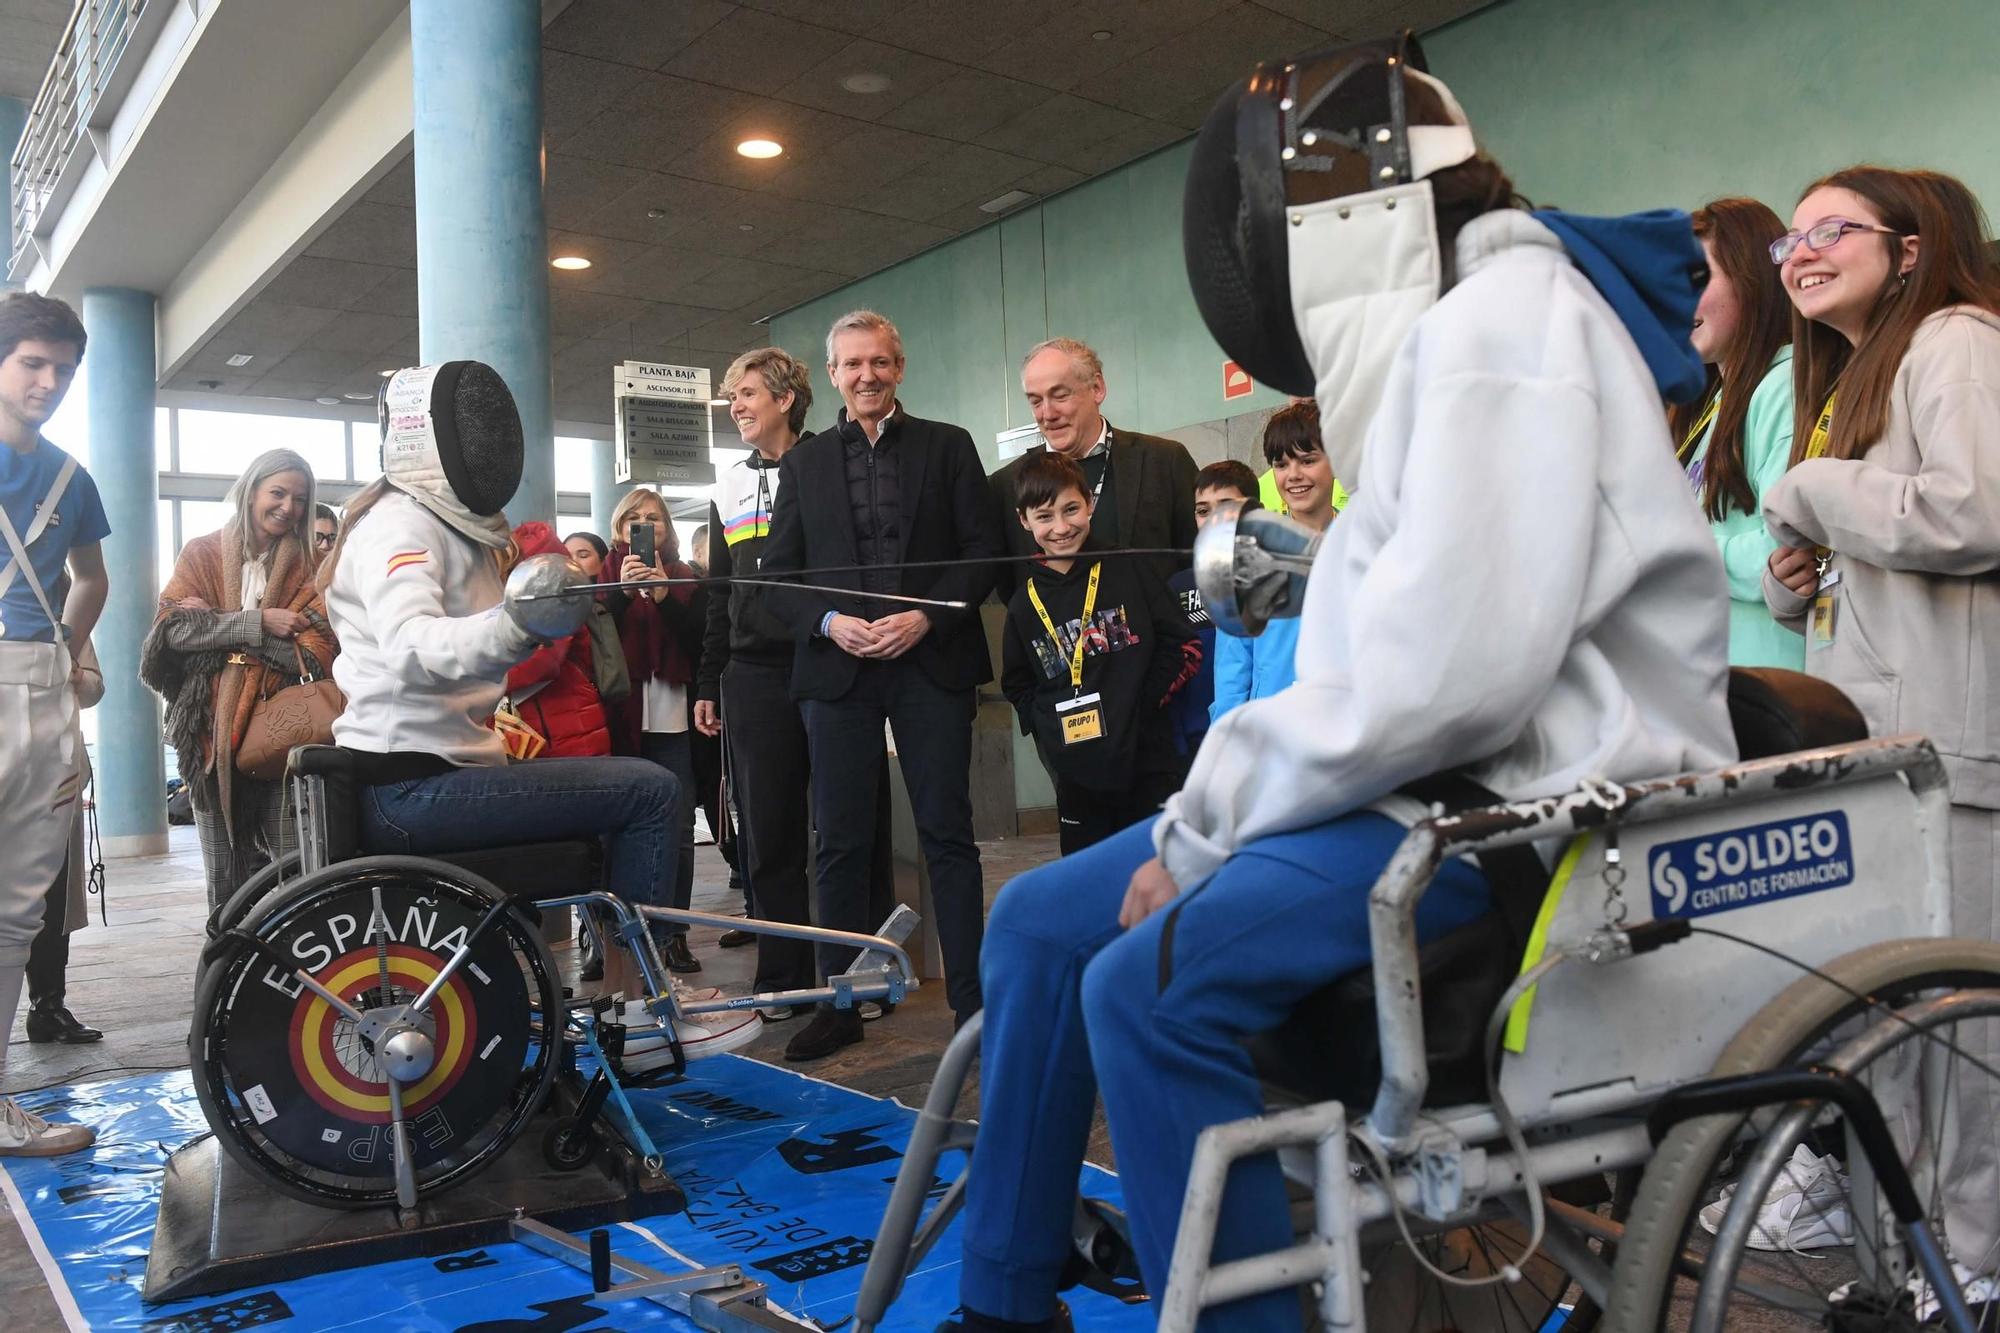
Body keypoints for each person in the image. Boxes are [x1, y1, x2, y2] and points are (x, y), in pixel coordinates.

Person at [941, 38, 1733, 1332]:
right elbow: (1384, 653)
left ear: (1344, 215)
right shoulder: (1452, 333)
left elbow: (1448, 678)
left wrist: (1204, 831)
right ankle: (1006, 1300)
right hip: (1423, 785)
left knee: (1140, 986)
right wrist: (1223, 804)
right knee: (1036, 925)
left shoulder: (1501, 332)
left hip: (1528, 807)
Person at [321, 360, 754, 1058]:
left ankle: (621, 994)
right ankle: (640, 1007)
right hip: (414, 784)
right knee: (648, 788)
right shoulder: (399, 528)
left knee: (622, 790)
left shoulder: (441, 524)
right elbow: (411, 644)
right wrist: (523, 623)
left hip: (439, 768)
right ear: (429, 439)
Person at [1761, 165, 2000, 1273]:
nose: (1799, 248)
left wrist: (1812, 489)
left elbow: (1974, 509)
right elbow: (1850, 566)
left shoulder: (1952, 336)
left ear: (1907, 249)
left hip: (1951, 753)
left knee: (1957, 1035)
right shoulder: (1860, 376)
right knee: (1896, 1029)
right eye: (1789, 237)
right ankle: (1920, 1266)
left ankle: (1972, 1271)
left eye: (1829, 229)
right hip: (1883, 757)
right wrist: (1791, 571)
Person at [760, 309, 1003, 1059]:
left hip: (930, 665)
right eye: (852, 364)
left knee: (948, 835)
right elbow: (777, 577)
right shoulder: (801, 466)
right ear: (832, 374)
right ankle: (840, 1004)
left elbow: (985, 552)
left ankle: (974, 1001)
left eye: (880, 362)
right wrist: (831, 622)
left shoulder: (949, 445)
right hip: (839, 671)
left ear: (900, 367)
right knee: (838, 840)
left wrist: (926, 619)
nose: (867, 375)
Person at [0, 291, 108, 1157]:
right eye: (32, 363)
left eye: (63, 370)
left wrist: (69, 652)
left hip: (43, 685)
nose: (49, 382)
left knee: (16, 911)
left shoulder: (73, 477)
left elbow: (91, 575)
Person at [141, 449, 335, 911]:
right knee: (225, 886)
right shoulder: (202, 553)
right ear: (251, 492)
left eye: (300, 499)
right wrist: (258, 622)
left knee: (297, 874)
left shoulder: (313, 566)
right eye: (278, 492)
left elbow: (313, 650)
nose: (288, 507)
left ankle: (300, 971)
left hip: (283, 738)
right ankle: (229, 974)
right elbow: (171, 632)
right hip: (210, 740)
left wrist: (218, 628)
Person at [696, 347, 824, 1013]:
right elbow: (718, 591)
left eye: (747, 393)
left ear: (784, 397)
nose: (737, 406)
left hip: (823, 661)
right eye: (732, 396)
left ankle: (847, 972)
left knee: (838, 829)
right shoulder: (726, 484)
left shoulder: (826, 464)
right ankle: (782, 975)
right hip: (751, 674)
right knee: (769, 835)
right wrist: (709, 680)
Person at [1001, 452, 1197, 854]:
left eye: (1071, 509)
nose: (1061, 527)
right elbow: (1018, 683)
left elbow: (1182, 644)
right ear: (1024, 520)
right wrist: (1048, 729)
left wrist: (1139, 706)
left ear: (1089, 502)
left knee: (1157, 877)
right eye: (1044, 516)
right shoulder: (1024, 603)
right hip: (1078, 778)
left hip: (1148, 764)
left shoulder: (1129, 568)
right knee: (1091, 891)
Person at [1669, 197, 1802, 668]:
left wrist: (1673, 555)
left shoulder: (1785, 385)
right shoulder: (1710, 404)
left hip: (1776, 680)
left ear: (1752, 282)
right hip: (1717, 677)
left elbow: (1788, 550)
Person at [988, 338, 1198, 599]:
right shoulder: (1005, 486)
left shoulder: (1164, 461)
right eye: (1035, 401)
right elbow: (1010, 585)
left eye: (1060, 395)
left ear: (1097, 388)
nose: (1047, 413)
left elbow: (1195, 562)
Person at [601, 488, 702, 975]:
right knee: (614, 829)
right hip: (621, 715)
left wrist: (665, 597)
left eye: (655, 518)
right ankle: (612, 938)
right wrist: (622, 595)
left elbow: (701, 640)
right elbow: (597, 636)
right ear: (620, 530)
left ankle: (673, 934)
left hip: (674, 715)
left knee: (679, 829)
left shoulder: (685, 576)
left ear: (668, 528)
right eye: (634, 519)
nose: (645, 526)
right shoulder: (604, 574)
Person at [1209, 402, 1334, 720]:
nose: (1293, 476)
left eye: (1307, 460)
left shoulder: (1364, 550)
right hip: (1275, 736)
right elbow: (1232, 675)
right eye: (1281, 464)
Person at [25, 576, 103, 1046]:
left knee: (53, 901)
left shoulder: (69, 615)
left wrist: (73, 673)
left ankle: (48, 1006)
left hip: (57, 774)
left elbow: (95, 686)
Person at [1167, 460, 1259, 766]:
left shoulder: (1274, 580)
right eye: (1203, 510)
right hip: (1196, 744)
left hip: (1258, 736)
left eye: (1226, 506)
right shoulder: (1177, 587)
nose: (1213, 518)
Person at [503, 522, 611, 758]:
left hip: (569, 735)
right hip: (553, 731)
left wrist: (475, 674)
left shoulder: (554, 602)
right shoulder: (551, 597)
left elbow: (541, 664)